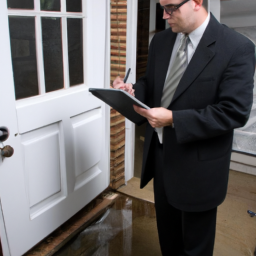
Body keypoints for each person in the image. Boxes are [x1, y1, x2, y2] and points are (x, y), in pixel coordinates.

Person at [113, 0, 255, 255]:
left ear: (197, 2)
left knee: (195, 248)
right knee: (168, 240)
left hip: (199, 168)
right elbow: (152, 83)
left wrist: (174, 119)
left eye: (170, 8)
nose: (165, 16)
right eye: (161, 8)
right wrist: (133, 90)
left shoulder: (237, 47)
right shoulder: (161, 41)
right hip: (160, 158)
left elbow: (233, 112)